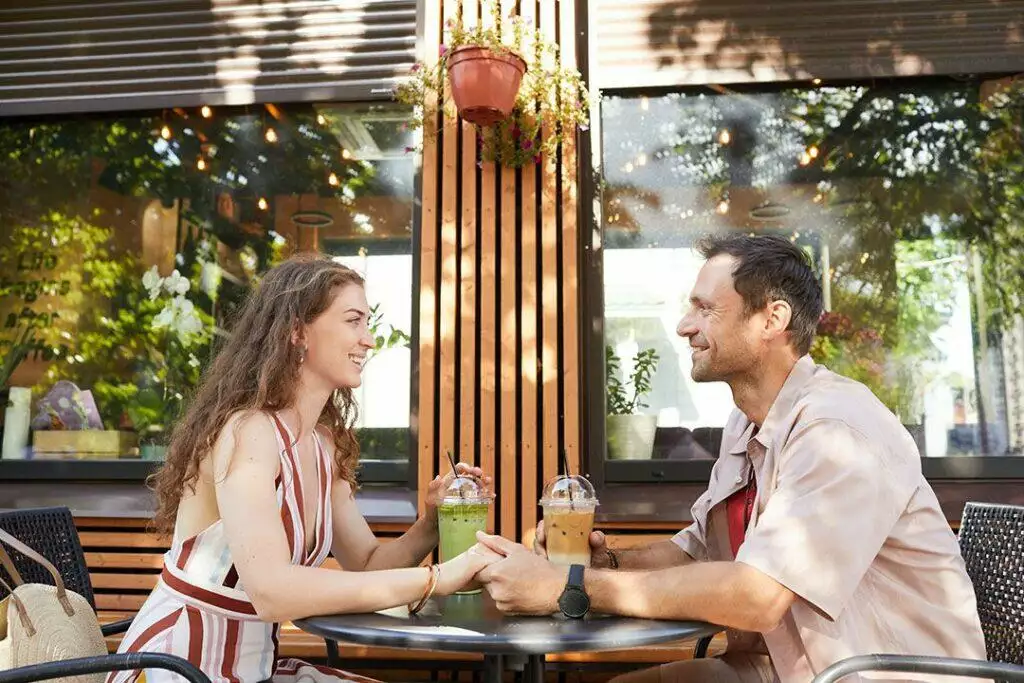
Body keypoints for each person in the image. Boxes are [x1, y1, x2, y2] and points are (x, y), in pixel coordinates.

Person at [476, 234, 987, 683]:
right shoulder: (749, 422)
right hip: (784, 666)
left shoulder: (837, 431)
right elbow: (699, 551)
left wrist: (569, 587)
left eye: (705, 309)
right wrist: (603, 561)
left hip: (873, 674)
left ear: (772, 319)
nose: (683, 325)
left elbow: (757, 597)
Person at [109, 254, 498, 683]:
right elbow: (272, 592)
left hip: (252, 671)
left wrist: (430, 522)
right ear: (296, 331)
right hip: (180, 666)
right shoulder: (250, 432)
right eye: (353, 321)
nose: (368, 340)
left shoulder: (320, 444)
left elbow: (367, 562)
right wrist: (434, 580)